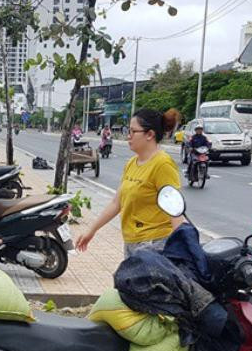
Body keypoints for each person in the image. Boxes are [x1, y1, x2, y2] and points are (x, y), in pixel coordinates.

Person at [74, 109, 185, 258]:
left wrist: (183, 247)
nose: (128, 136)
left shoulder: (163, 164)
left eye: (133, 132)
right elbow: (116, 203)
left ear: (150, 135)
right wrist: (91, 230)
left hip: (155, 246)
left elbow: (175, 209)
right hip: (132, 242)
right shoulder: (132, 163)